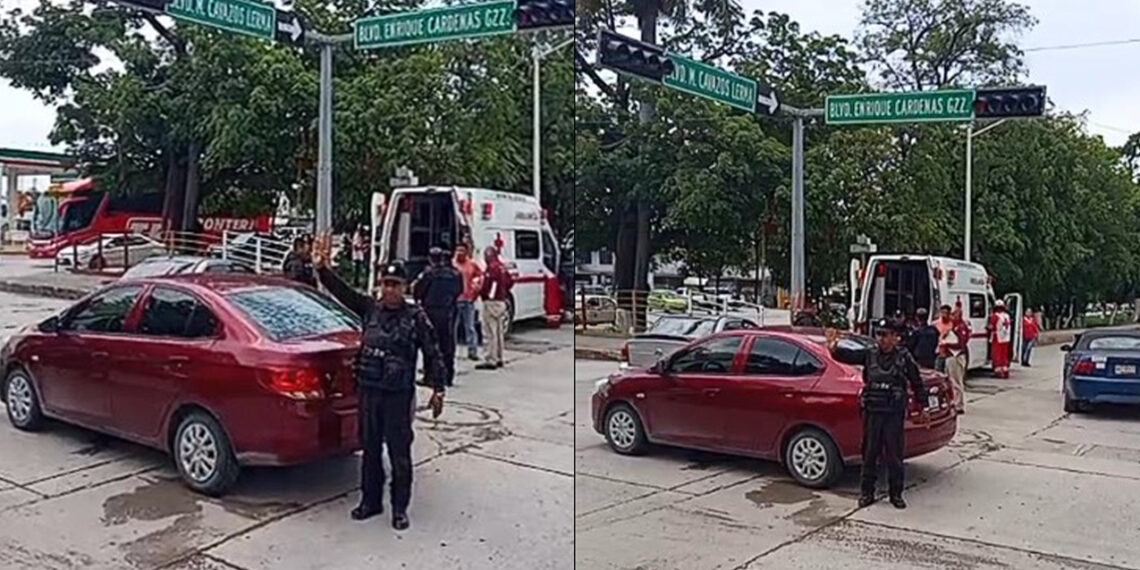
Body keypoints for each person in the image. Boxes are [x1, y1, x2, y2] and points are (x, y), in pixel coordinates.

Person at [312, 234, 445, 531]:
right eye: (386, 284)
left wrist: (439, 389)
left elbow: (433, 352)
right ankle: (370, 502)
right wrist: (322, 269)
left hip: (398, 396)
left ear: (405, 288)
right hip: (370, 394)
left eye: (395, 285)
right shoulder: (371, 308)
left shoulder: (415, 317)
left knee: (399, 455)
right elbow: (342, 292)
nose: (390, 290)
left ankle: (399, 509)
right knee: (370, 451)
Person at [859, 318, 929, 510]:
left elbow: (917, 382)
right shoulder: (870, 355)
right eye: (879, 334)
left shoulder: (904, 357)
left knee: (894, 456)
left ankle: (895, 494)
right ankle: (866, 493)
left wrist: (923, 407)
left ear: (895, 338)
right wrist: (834, 346)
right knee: (870, 453)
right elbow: (845, 355)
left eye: (885, 335)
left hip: (893, 413)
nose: (881, 339)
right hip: (873, 411)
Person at [413, 247, 463, 387]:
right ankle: (448, 376)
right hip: (449, 312)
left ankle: (430, 377)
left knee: (429, 344)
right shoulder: (455, 274)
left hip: (431, 312)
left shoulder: (429, 274)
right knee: (448, 345)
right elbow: (459, 291)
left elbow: (418, 291)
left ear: (430, 258)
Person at [476, 245, 513, 370]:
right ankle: (499, 357)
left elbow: (488, 285)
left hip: (491, 303)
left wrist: (483, 293)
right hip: (501, 301)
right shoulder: (502, 267)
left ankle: (490, 359)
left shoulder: (491, 269)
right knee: (498, 332)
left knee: (489, 332)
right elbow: (510, 281)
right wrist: (503, 292)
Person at [453, 243, 484, 360]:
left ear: (466, 252)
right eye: (458, 250)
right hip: (454, 300)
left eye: (462, 250)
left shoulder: (471, 265)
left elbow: (480, 276)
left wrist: (476, 289)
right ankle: (451, 350)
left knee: (470, 327)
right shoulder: (452, 264)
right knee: (452, 328)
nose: (460, 253)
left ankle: (472, 351)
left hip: (468, 300)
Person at [939, 306, 971, 414]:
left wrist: (946, 343)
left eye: (954, 314)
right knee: (951, 381)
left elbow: (960, 344)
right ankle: (955, 402)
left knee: (956, 381)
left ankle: (959, 405)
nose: (951, 316)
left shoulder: (960, 327)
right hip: (950, 356)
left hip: (956, 356)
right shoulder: (955, 327)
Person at [989, 301, 1013, 378]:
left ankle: (998, 372)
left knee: (997, 355)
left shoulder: (995, 316)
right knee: (1004, 355)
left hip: (997, 337)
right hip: (1006, 338)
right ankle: (1005, 371)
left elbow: (991, 326)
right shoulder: (1007, 316)